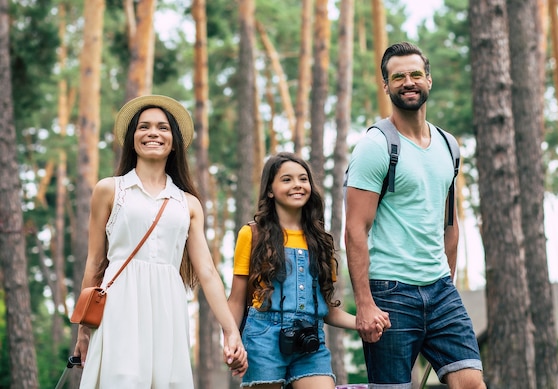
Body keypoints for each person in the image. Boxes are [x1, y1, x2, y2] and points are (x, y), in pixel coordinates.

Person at [72, 94, 247, 388]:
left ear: (174, 141)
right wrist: (83, 331)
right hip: (119, 304)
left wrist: (231, 331)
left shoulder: (188, 204)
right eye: (144, 127)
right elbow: (95, 262)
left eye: (163, 128)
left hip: (168, 306)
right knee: (122, 379)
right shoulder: (109, 190)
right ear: (132, 139)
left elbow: (207, 272)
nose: (153, 133)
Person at [344, 42, 485, 389]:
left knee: (472, 383)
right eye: (398, 77)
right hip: (390, 292)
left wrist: (448, 284)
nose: (408, 82)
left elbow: (449, 223)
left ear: (429, 80)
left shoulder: (449, 145)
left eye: (415, 74)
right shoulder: (375, 146)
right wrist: (364, 302)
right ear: (386, 85)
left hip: (440, 291)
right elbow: (355, 229)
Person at [228, 152, 382, 388]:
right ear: (270, 190)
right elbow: (237, 300)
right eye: (286, 179)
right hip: (262, 340)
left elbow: (326, 310)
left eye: (303, 179)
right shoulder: (252, 234)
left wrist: (363, 322)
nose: (297, 185)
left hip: (311, 340)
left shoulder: (322, 242)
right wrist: (231, 338)